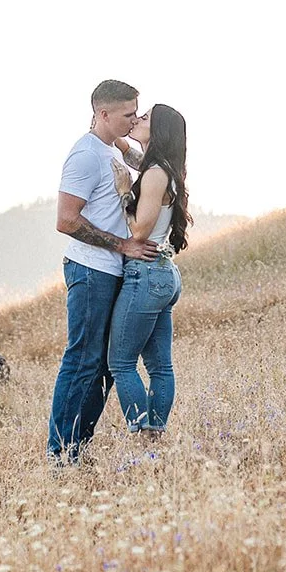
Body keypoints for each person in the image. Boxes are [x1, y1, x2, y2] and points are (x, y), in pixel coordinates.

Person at [49, 80, 160, 463]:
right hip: (90, 269)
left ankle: (78, 448)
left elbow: (152, 165)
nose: (134, 119)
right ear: (104, 113)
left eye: (137, 113)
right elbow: (66, 220)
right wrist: (122, 245)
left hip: (114, 272)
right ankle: (60, 455)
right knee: (82, 361)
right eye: (128, 114)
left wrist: (134, 144)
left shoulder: (113, 147)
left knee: (108, 366)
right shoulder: (85, 155)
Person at [107, 104, 191, 436]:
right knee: (160, 367)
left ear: (157, 131)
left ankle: (143, 436)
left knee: (121, 363)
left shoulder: (155, 174)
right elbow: (133, 156)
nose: (137, 119)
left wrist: (124, 192)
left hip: (145, 273)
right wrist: (114, 134)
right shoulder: (163, 168)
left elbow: (139, 231)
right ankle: (155, 437)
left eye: (144, 118)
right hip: (164, 274)